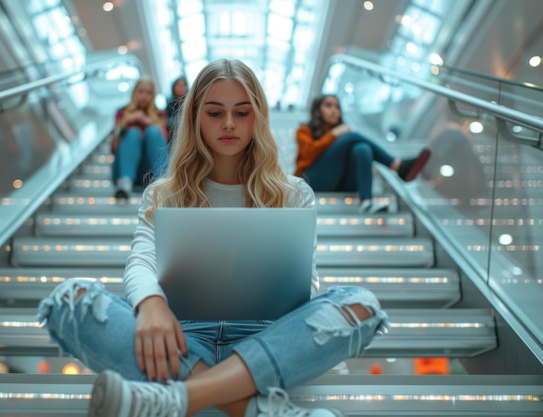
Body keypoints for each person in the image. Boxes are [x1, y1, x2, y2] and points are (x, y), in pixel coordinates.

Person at [37, 59, 389, 417]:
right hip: (179, 337)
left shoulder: (294, 193)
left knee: (361, 304)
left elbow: (306, 284)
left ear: (258, 117)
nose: (230, 124)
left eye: (242, 112)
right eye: (215, 113)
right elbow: (141, 260)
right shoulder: (163, 193)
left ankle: (180, 397)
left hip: (266, 337)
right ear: (194, 118)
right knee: (70, 301)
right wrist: (151, 304)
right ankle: (251, 408)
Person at [294, 94, 431, 213]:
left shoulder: (342, 136)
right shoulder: (304, 131)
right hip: (312, 182)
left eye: (337, 107)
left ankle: (367, 202)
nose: (334, 110)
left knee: (362, 148)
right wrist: (333, 134)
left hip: (342, 183)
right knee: (352, 136)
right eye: (328, 106)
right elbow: (309, 153)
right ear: (318, 110)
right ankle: (397, 166)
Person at [111, 76, 169, 199]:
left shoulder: (160, 114)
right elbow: (114, 146)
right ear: (134, 92)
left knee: (153, 131)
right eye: (141, 91)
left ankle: (163, 182)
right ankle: (125, 182)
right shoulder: (122, 113)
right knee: (133, 133)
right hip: (124, 170)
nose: (144, 96)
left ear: (153, 95)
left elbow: (164, 142)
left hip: (151, 171)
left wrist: (147, 121)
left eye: (148, 92)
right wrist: (126, 122)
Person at [166, 75, 188, 143]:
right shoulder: (170, 103)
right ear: (173, 87)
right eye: (178, 85)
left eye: (183, 85)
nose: (181, 88)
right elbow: (168, 120)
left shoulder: (190, 102)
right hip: (175, 132)